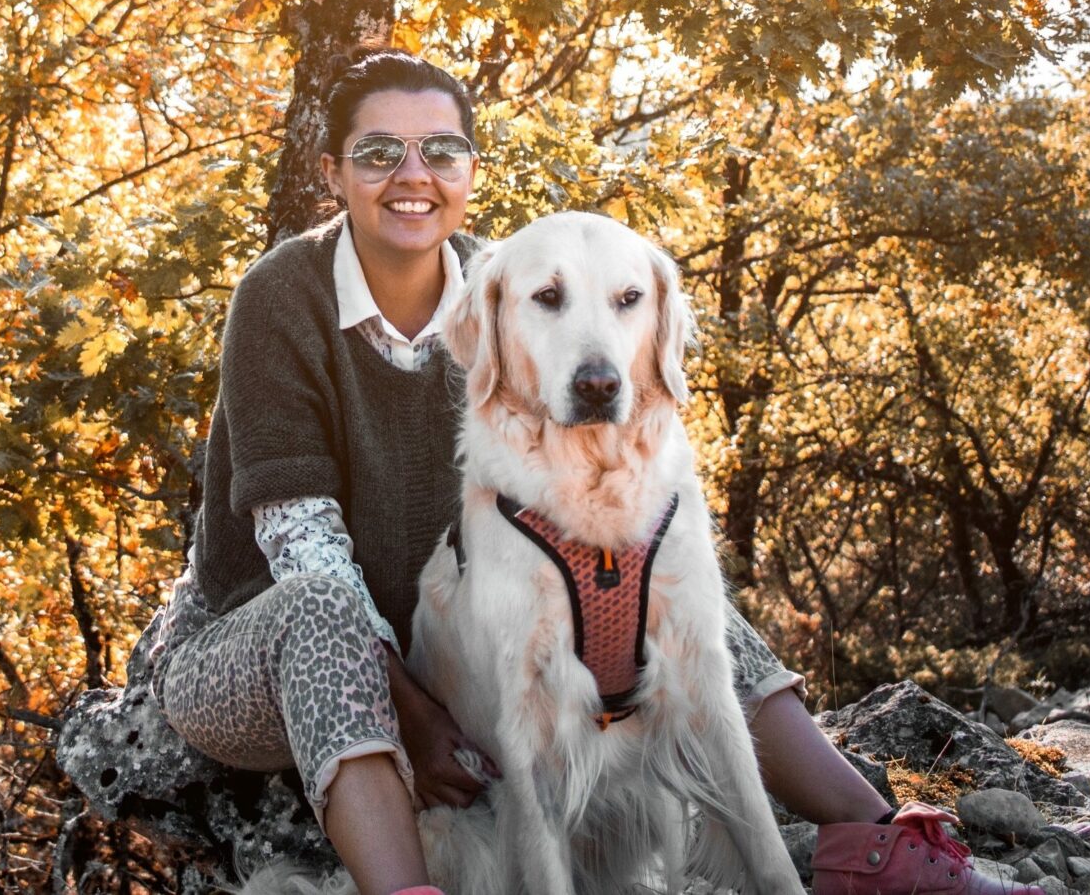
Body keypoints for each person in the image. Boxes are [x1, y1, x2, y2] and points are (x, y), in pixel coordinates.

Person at [134, 48, 1037, 895]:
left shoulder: (516, 289)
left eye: (442, 149)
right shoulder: (281, 297)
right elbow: (303, 547)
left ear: (471, 168)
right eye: (379, 152)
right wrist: (411, 711)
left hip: (444, 620)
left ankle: (870, 840)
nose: (415, 175)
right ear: (333, 171)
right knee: (323, 610)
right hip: (253, 649)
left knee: (650, 554)